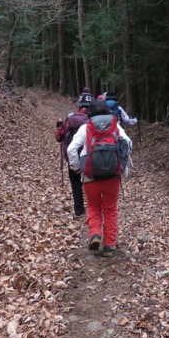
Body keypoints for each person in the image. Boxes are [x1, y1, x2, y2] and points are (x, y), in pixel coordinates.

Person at [67, 98, 132, 257]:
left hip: (90, 176)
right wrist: (123, 166)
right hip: (111, 176)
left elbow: (71, 150)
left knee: (93, 206)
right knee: (110, 209)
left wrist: (77, 167)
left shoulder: (85, 128)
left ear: (90, 113)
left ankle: (95, 234)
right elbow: (128, 144)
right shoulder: (115, 126)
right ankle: (109, 245)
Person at [55, 88, 92, 218]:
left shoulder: (70, 118)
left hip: (73, 156)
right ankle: (94, 209)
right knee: (92, 182)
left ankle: (79, 210)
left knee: (75, 182)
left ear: (79, 104)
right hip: (90, 156)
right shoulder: (93, 119)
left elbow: (59, 137)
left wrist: (59, 126)